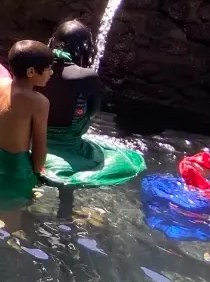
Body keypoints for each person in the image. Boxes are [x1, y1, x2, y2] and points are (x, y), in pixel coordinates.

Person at [40, 20, 144, 188]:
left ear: (52, 42)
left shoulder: (36, 69)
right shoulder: (87, 76)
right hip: (69, 145)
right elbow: (93, 111)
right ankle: (65, 210)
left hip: (32, 139)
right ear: (85, 50)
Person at [0, 40, 53, 203]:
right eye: (48, 68)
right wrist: (35, 179)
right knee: (13, 222)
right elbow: (39, 145)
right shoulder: (39, 102)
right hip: (13, 175)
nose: (51, 72)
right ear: (31, 72)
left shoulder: (0, 84)